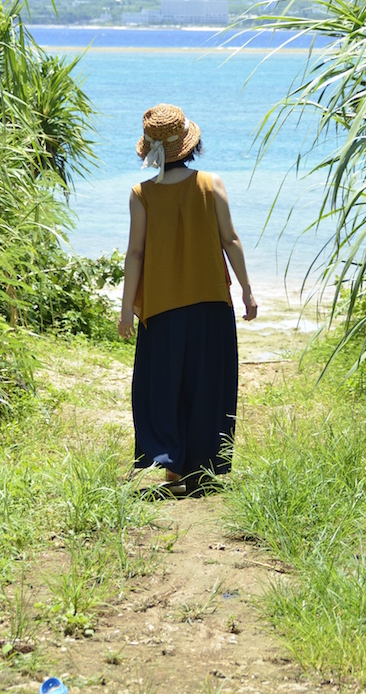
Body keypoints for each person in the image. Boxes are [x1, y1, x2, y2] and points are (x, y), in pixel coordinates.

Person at [118, 103, 258, 495]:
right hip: (211, 302)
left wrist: (127, 308)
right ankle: (203, 469)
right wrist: (247, 290)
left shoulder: (140, 194)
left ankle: (172, 469)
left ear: (150, 151)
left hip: (161, 308)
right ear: (190, 146)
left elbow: (136, 254)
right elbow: (230, 240)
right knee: (208, 383)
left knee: (162, 385)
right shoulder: (211, 184)